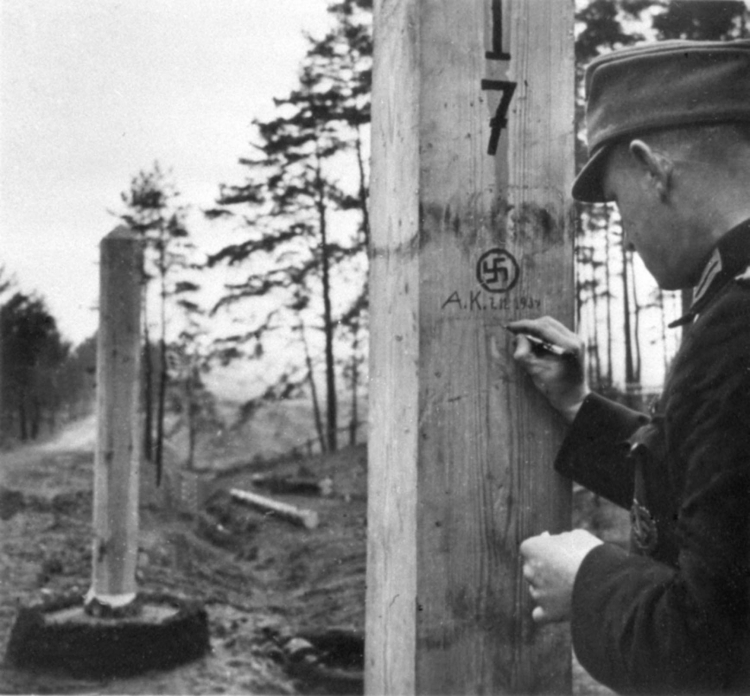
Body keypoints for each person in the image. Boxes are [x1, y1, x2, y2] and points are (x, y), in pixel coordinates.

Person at [511, 39, 750, 694]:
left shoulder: (738, 331)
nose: (624, 230)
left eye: (616, 204)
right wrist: (578, 405)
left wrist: (587, 579)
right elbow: (721, 500)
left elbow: (705, 649)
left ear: (653, 168)